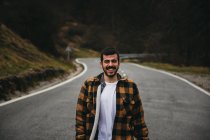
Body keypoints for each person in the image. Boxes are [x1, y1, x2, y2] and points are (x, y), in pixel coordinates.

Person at [76, 47, 149, 140]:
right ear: (101, 64)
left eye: (114, 61)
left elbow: (139, 121)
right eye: (106, 61)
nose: (110, 64)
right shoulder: (90, 85)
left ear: (119, 63)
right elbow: (80, 118)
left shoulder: (130, 86)